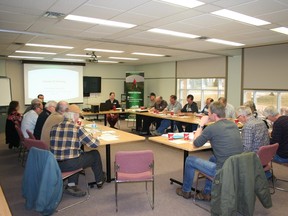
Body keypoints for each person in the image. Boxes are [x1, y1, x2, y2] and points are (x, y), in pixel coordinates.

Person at [176, 101, 243, 200]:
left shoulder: (212, 128)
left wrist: (201, 124)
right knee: (212, 158)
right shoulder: (233, 125)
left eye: (209, 113)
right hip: (236, 166)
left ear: (215, 115)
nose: (208, 115)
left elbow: (195, 144)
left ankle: (185, 191)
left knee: (190, 160)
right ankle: (207, 192)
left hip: (222, 170)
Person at [50, 104, 106, 197]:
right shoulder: (77, 128)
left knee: (75, 155)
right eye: (78, 115)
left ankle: (71, 185)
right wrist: (94, 137)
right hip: (70, 164)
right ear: (75, 115)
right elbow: (94, 144)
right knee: (94, 154)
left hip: (55, 164)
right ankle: (100, 180)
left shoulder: (54, 127)